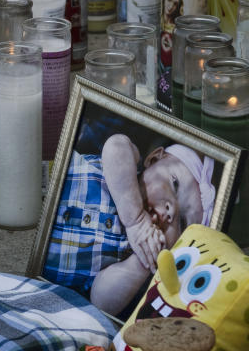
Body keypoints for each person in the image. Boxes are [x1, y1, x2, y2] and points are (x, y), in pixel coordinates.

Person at [44, 135, 216, 316]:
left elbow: (101, 303)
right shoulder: (125, 169)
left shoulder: (128, 258)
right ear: (154, 159)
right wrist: (136, 220)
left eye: (182, 222)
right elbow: (115, 146)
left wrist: (143, 261)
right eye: (175, 184)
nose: (171, 211)